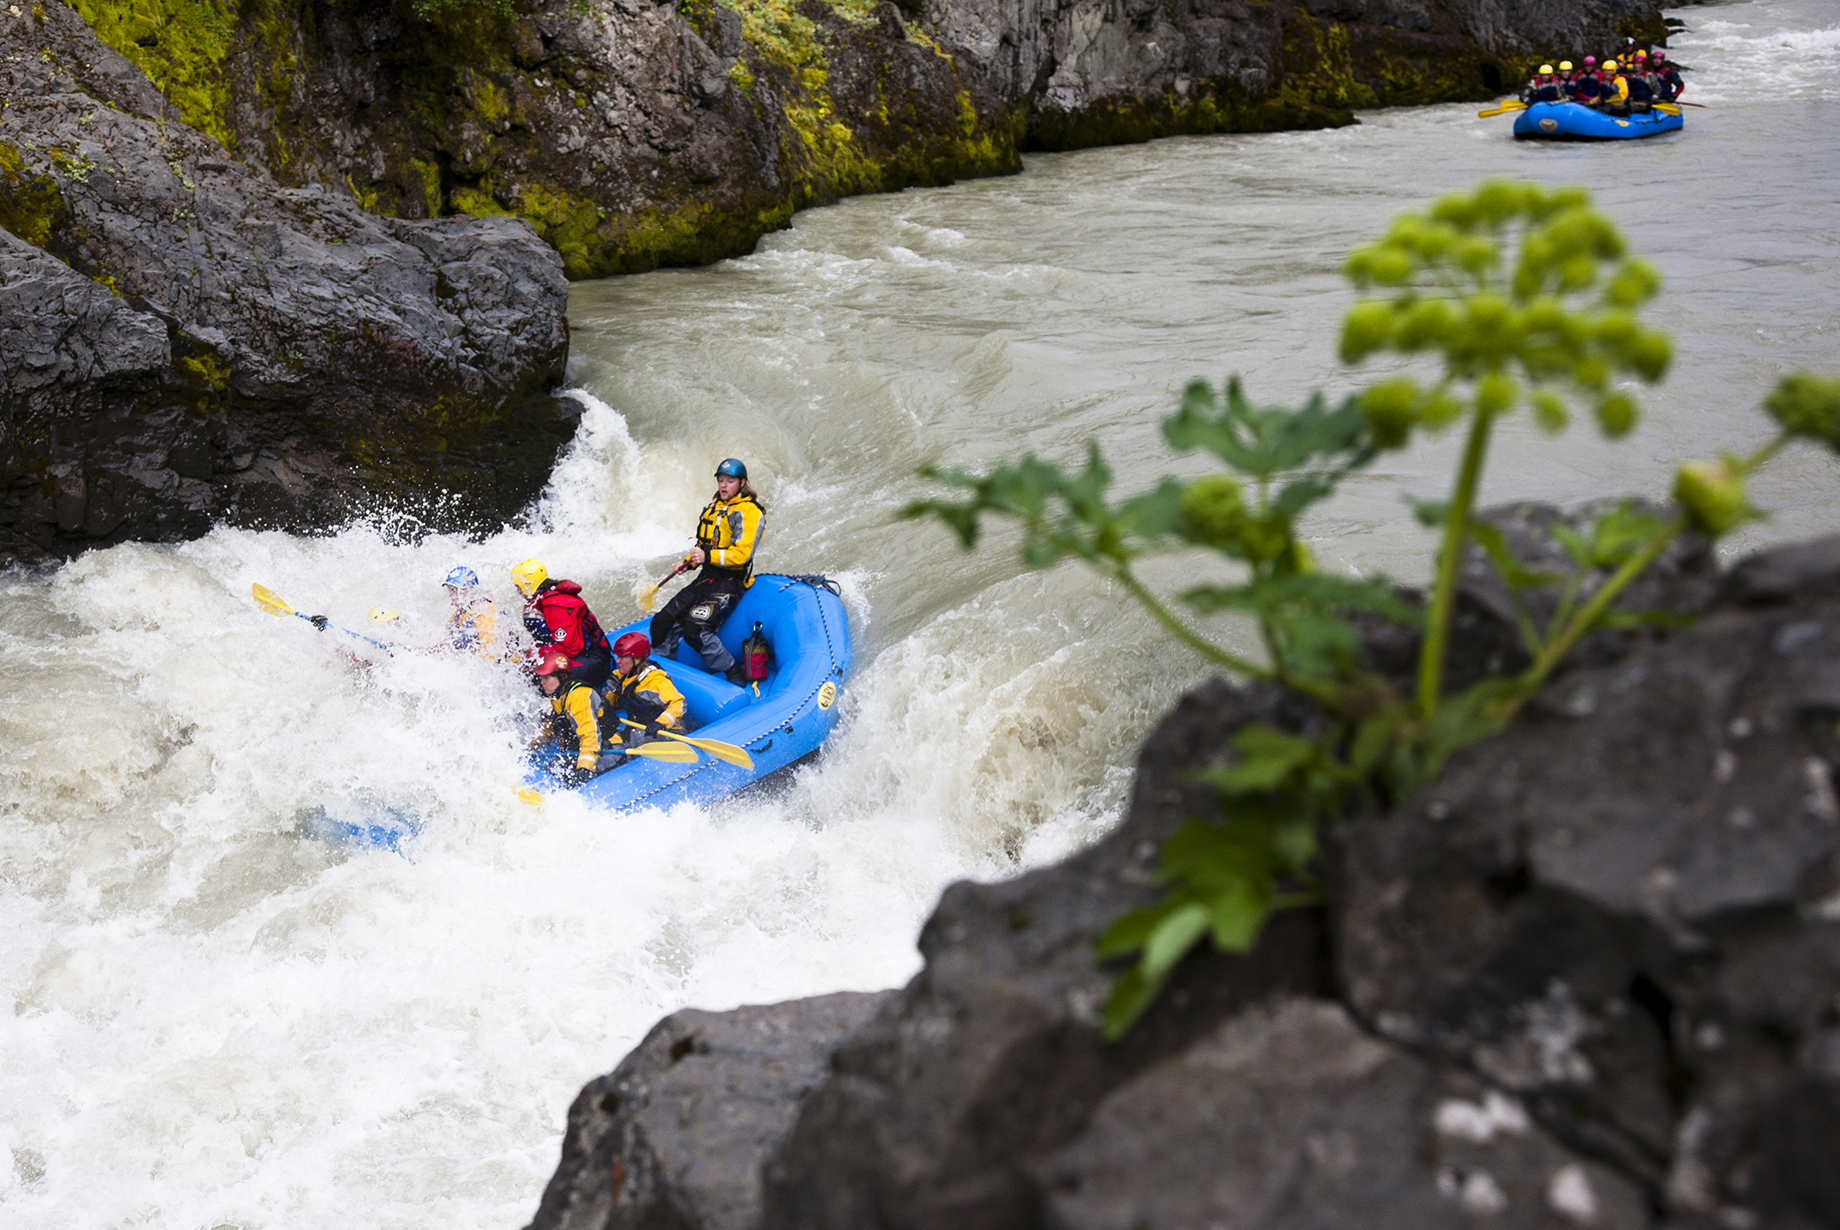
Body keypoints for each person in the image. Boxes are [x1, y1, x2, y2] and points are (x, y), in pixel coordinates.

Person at [649, 459, 766, 683]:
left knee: (695, 630)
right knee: (660, 622)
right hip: (706, 579)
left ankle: (734, 672)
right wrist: (688, 562)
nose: (723, 485)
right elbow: (705, 544)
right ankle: (662, 675)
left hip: (731, 582)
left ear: (742, 483)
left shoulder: (750, 512)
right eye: (721, 480)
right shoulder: (715, 507)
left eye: (730, 481)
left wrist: (706, 557)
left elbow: (743, 554)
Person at [513, 558, 612, 688]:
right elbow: (547, 640)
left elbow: (570, 647)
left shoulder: (555, 604)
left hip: (594, 662)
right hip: (582, 657)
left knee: (535, 679)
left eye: (519, 587)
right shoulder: (544, 599)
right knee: (521, 672)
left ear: (527, 585)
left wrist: (539, 655)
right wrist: (530, 654)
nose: (518, 592)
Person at [533, 652, 621, 786]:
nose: (542, 682)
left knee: (567, 780)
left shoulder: (579, 696)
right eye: (541, 677)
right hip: (581, 749)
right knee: (552, 770)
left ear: (561, 677)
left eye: (546, 678)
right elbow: (554, 725)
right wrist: (533, 744)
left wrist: (584, 768)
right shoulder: (558, 698)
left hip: (607, 749)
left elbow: (590, 735)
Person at [604, 632, 687, 751]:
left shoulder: (654, 681)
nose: (617, 661)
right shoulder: (623, 677)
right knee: (609, 740)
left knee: (630, 741)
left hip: (665, 732)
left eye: (622, 657)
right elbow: (613, 700)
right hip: (639, 727)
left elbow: (679, 703)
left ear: (637, 658)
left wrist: (660, 723)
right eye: (618, 657)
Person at [442, 565, 500, 659]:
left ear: (472, 590)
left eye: (458, 590)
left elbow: (489, 653)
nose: (453, 595)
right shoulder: (460, 613)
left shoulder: (484, 611)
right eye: (451, 590)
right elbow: (447, 641)